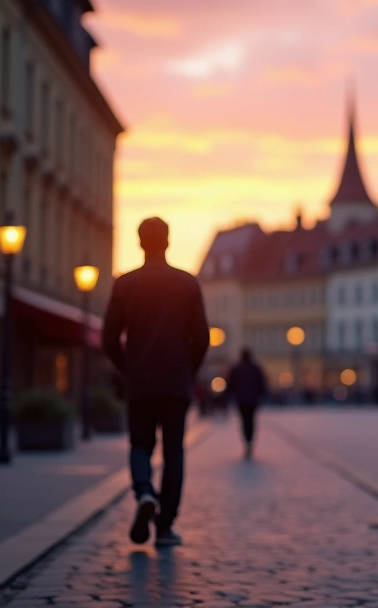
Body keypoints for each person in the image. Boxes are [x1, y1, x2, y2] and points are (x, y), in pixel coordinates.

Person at [102, 217, 210, 548]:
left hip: (141, 382)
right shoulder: (187, 283)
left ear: (139, 242)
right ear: (167, 241)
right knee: (174, 451)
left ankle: (145, 492)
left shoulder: (125, 284)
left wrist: (129, 368)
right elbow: (202, 338)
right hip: (176, 383)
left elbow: (109, 338)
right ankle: (164, 526)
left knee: (140, 445)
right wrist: (186, 370)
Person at [226, 348, 268, 460]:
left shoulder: (236, 368)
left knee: (244, 421)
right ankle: (250, 441)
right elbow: (262, 383)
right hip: (253, 400)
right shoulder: (255, 368)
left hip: (241, 400)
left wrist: (227, 396)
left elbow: (230, 384)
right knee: (251, 420)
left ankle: (246, 441)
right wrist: (263, 394)